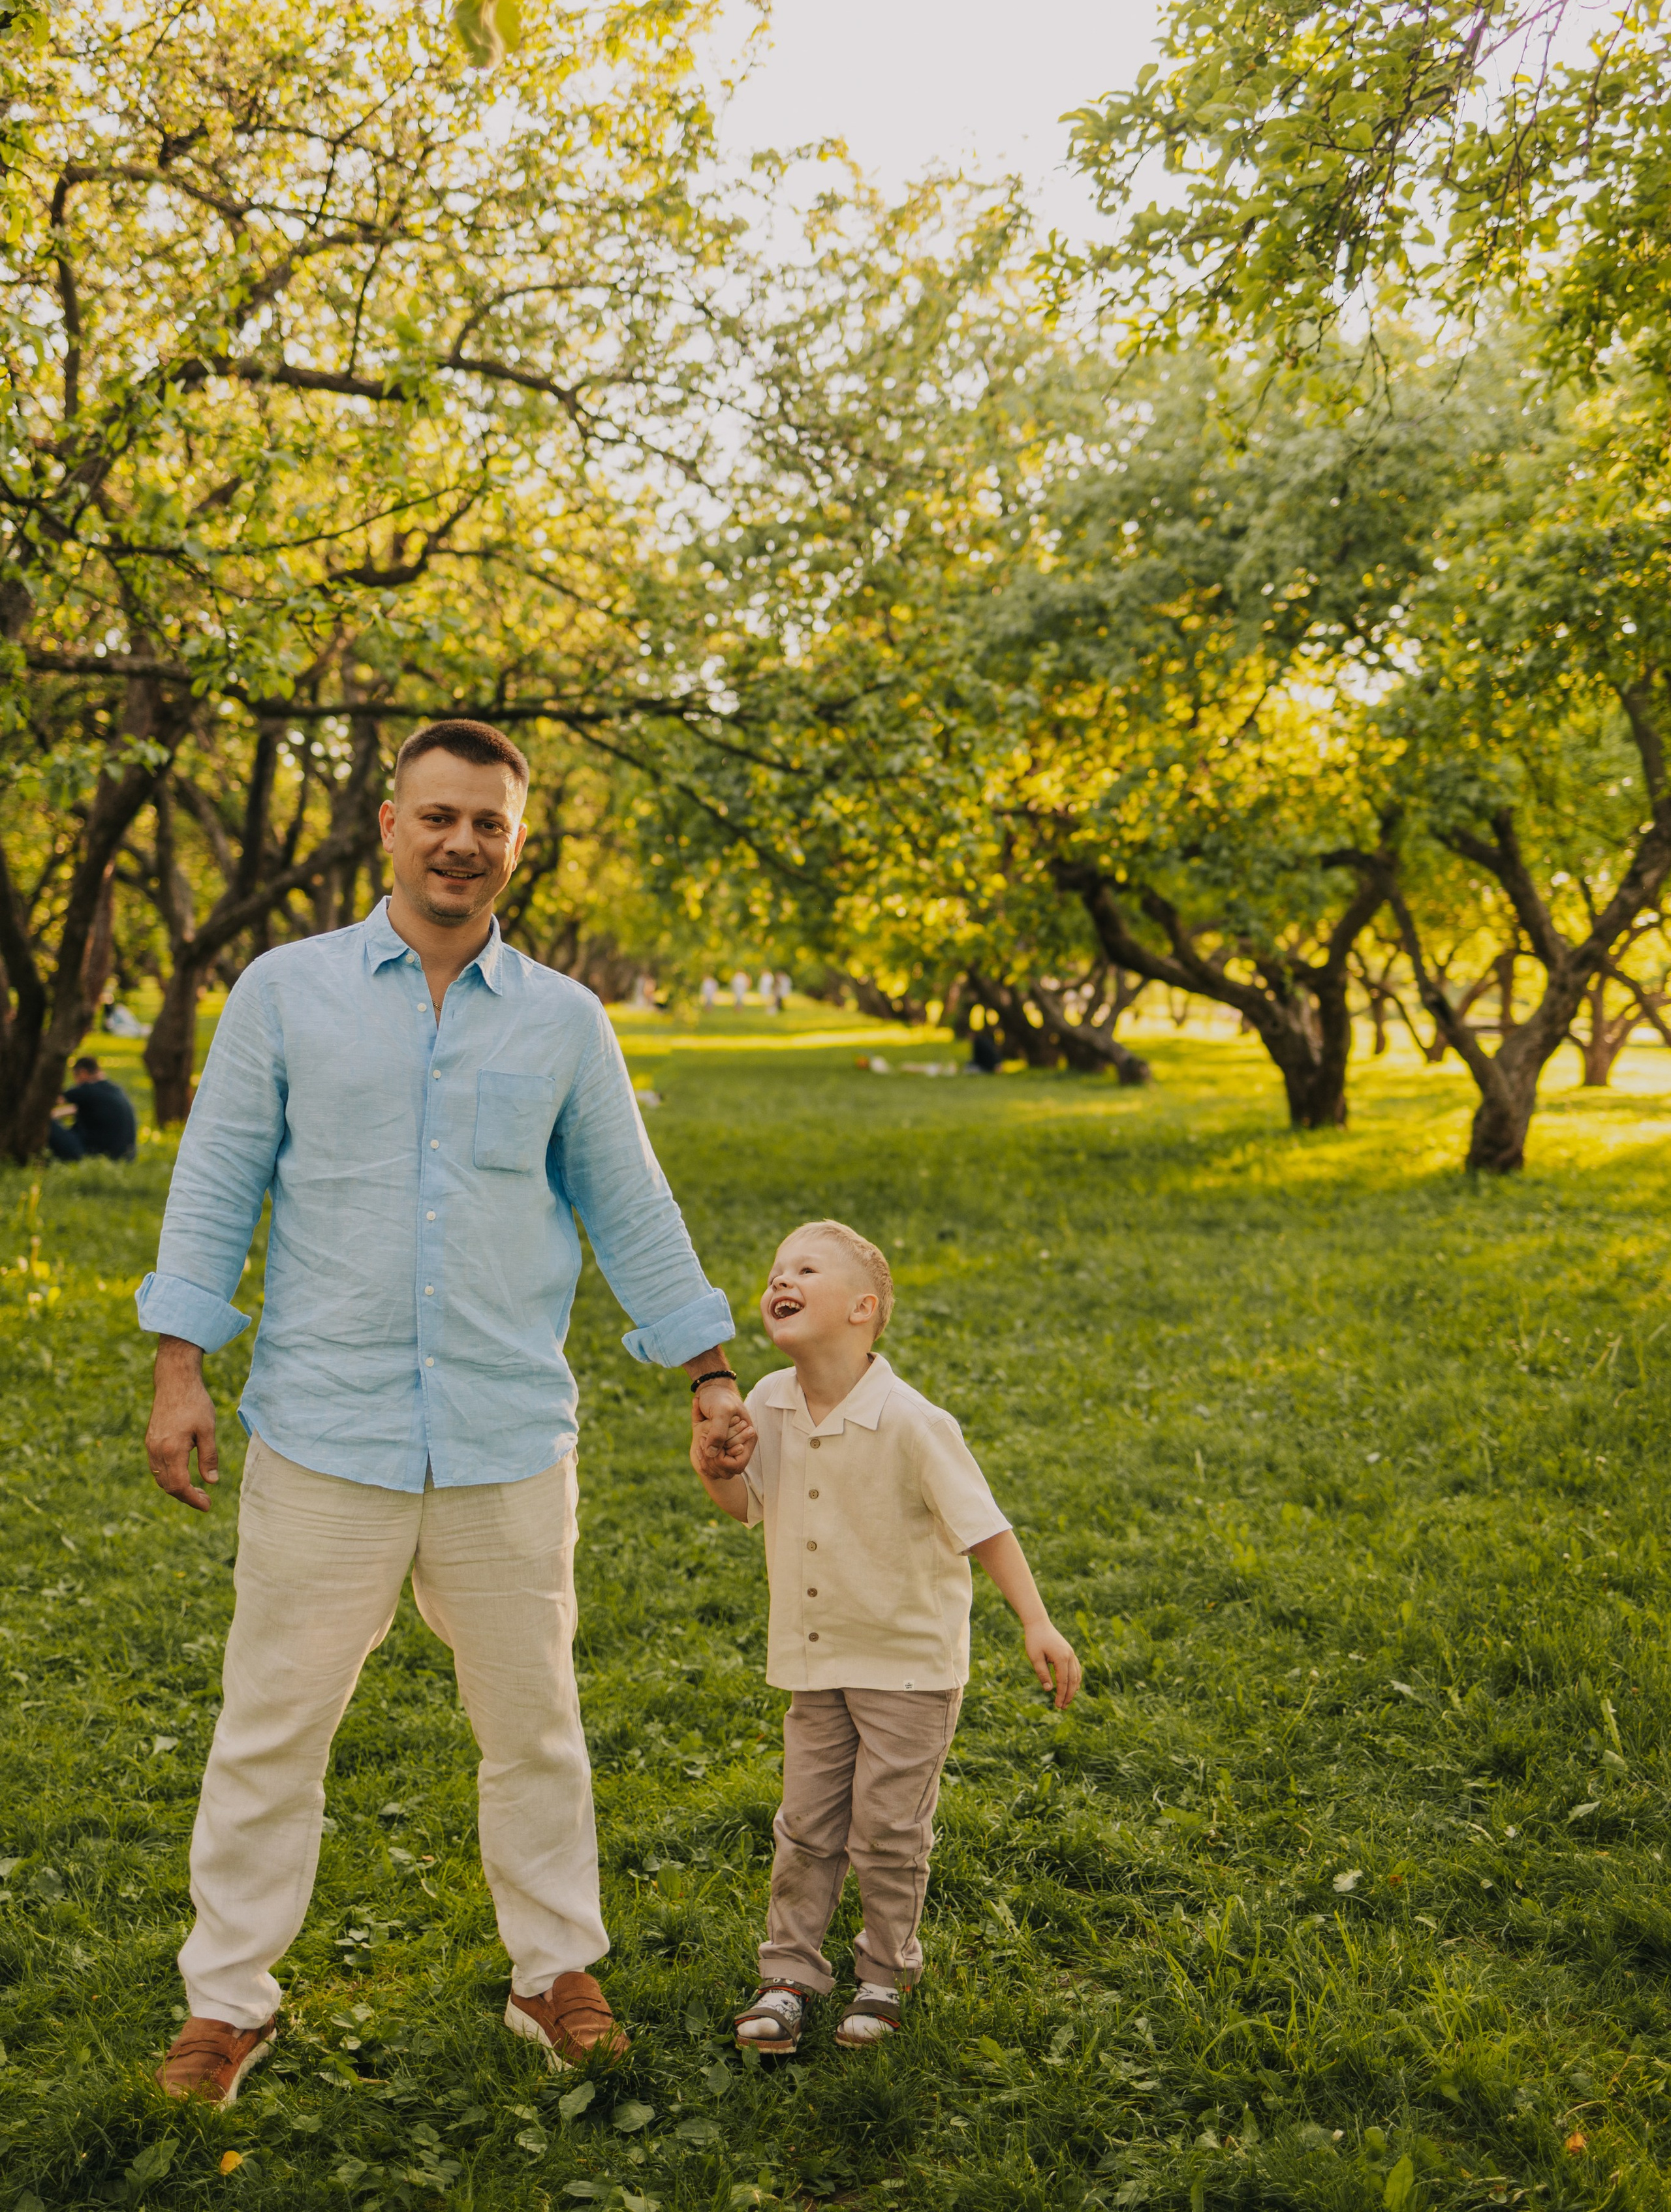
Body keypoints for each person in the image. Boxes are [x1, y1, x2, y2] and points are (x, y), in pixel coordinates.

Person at [137, 718, 754, 2108]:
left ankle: (552, 1973)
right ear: (389, 824)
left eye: (489, 824)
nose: (462, 842)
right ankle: (227, 2001)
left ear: (515, 847)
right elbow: (217, 1183)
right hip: (324, 1433)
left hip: (500, 1442)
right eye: (438, 816)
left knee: (534, 1726)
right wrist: (181, 1367)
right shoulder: (284, 994)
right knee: (270, 1729)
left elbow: (631, 1207)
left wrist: (707, 1374)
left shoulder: (562, 1020)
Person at [691, 1221, 1080, 2055]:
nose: (778, 1280)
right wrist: (713, 1465)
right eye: (773, 1271)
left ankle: (884, 1973)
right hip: (816, 1655)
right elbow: (746, 1502)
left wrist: (1036, 1622)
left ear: (863, 1309)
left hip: (908, 1666)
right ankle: (789, 1975)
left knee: (887, 1830)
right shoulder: (765, 1401)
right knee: (806, 1824)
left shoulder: (912, 1421)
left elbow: (984, 1529)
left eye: (804, 1268)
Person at [48, 1056, 138, 1162]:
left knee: (45, 1121)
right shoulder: (115, 1090)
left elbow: (53, 1101)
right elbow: (75, 1109)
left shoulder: (87, 1090)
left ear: (83, 1073)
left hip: (93, 1153)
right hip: (126, 1156)